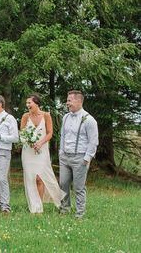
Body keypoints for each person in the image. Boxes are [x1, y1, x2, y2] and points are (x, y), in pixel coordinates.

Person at [20, 94, 64, 213]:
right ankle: (36, 208)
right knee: (31, 178)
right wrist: (29, 142)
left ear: (37, 103)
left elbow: (50, 133)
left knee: (40, 178)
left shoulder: (46, 115)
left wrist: (40, 143)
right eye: (27, 103)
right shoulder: (25, 116)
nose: (28, 105)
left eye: (30, 103)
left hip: (42, 151)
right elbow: (22, 133)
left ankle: (42, 204)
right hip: (28, 152)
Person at [59, 90, 99, 218]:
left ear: (79, 101)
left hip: (80, 157)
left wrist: (87, 158)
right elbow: (63, 136)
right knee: (63, 183)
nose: (67, 103)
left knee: (79, 187)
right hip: (65, 156)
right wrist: (61, 152)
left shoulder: (89, 120)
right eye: (67, 100)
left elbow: (93, 141)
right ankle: (65, 209)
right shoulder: (65, 117)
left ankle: (80, 213)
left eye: (70, 100)